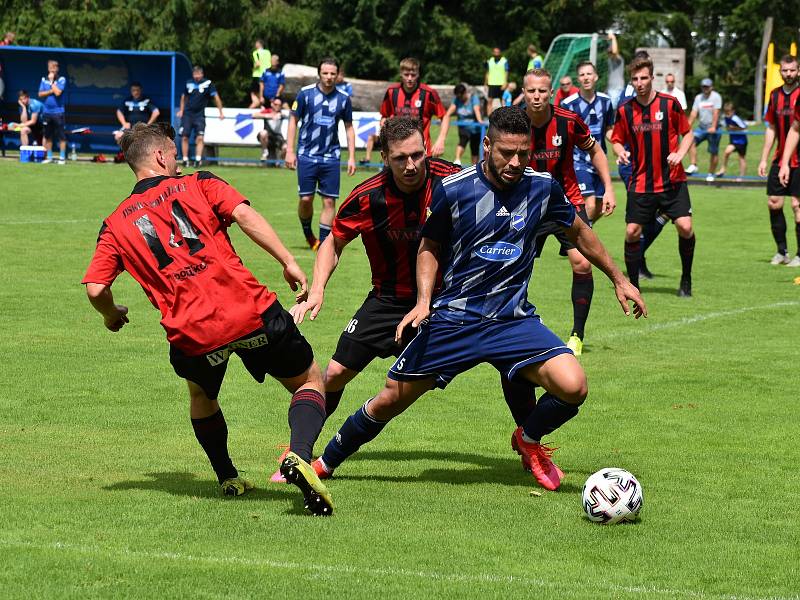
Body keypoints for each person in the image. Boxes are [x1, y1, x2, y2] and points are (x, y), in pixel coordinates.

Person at [310, 107, 646, 492]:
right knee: (390, 399)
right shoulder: (454, 189)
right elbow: (429, 246)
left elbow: (580, 232)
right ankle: (324, 462)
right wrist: (423, 302)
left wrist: (618, 279)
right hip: (454, 319)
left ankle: (528, 439)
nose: (515, 162)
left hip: (512, 321)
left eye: (522, 153)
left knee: (574, 386)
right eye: (505, 152)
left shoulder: (543, 188)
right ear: (487, 145)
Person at [82, 122, 333, 514]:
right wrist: (287, 261)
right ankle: (299, 454)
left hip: (192, 333)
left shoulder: (114, 224)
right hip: (248, 311)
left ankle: (228, 477)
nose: (178, 162)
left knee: (202, 395)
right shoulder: (199, 182)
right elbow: (245, 216)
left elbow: (96, 289)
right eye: (174, 154)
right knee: (310, 380)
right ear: (161, 156)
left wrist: (111, 315)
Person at [523, 67, 616, 356]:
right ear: (523, 92)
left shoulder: (568, 120)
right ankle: (512, 327)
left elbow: (596, 150)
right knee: (514, 267)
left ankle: (576, 335)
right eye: (531, 91)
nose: (536, 96)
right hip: (525, 205)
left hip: (566, 203)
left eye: (542, 91)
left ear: (551, 92)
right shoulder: (512, 121)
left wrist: (608, 188)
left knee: (583, 264)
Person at [612, 57, 697, 297]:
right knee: (631, 232)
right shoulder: (625, 110)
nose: (640, 83)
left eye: (644, 78)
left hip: (672, 180)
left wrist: (681, 153)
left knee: (685, 226)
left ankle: (686, 279)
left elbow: (688, 134)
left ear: (652, 77)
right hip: (641, 182)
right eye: (635, 79)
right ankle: (633, 285)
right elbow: (616, 139)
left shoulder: (670, 104)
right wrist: (621, 152)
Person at [285, 57, 356, 250]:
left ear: (338, 75)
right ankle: (308, 233)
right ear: (319, 74)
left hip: (331, 158)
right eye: (325, 73)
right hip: (307, 155)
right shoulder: (305, 94)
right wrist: (290, 150)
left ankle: (324, 245)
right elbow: (293, 121)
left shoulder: (343, 98)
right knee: (306, 199)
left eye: (333, 73)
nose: (329, 77)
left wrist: (351, 156)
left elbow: (349, 128)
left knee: (329, 201)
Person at [560, 61, 617, 223]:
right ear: (578, 79)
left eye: (589, 74)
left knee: (600, 207)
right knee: (589, 205)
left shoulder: (606, 102)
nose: (586, 77)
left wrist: (619, 146)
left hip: (599, 161)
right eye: (582, 74)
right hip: (578, 162)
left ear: (596, 77)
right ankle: (577, 242)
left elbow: (608, 128)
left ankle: (578, 240)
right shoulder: (568, 104)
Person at [759, 54, 800, 266]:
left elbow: (797, 128)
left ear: (798, 71)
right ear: (780, 71)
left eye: (792, 70)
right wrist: (764, 158)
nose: (789, 74)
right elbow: (772, 127)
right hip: (780, 158)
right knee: (774, 203)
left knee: (797, 206)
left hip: (798, 161)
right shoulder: (774, 96)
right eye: (785, 70)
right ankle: (782, 251)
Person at [380, 57, 449, 156]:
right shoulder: (392, 92)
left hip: (421, 152)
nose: (409, 78)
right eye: (406, 75)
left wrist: (441, 140)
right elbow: (384, 117)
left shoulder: (428, 93)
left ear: (418, 74)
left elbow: (444, 116)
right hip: (397, 151)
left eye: (413, 75)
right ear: (400, 74)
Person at [177, 66, 224, 168]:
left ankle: (198, 160)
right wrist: (181, 110)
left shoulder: (208, 83)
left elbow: (216, 97)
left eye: (198, 74)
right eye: (195, 74)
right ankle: (185, 160)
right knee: (185, 137)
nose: (197, 76)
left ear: (202, 74)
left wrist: (221, 112)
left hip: (199, 115)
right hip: (188, 115)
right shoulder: (188, 83)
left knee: (200, 137)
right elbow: (183, 97)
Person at [686, 78, 722, 181]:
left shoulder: (716, 97)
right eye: (703, 87)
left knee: (713, 152)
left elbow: (716, 112)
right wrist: (687, 126)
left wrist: (713, 127)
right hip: (702, 127)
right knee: (690, 141)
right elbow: (693, 113)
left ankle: (711, 173)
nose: (705, 88)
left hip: (714, 127)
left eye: (707, 86)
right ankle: (694, 165)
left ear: (711, 87)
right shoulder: (698, 98)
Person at [37, 59, 67, 164]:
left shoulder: (62, 79)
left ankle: (62, 158)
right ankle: (49, 157)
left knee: (61, 136)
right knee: (48, 135)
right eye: (50, 67)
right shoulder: (43, 79)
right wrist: (50, 90)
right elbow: (40, 94)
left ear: (57, 69)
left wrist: (51, 82)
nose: (52, 70)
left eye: (54, 67)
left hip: (58, 112)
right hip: (47, 112)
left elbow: (58, 93)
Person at [444, 83, 482, 165]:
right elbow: (449, 112)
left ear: (465, 93)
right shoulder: (457, 99)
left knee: (474, 149)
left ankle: (474, 167)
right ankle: (457, 160)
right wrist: (443, 118)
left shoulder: (473, 98)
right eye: (458, 97)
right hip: (463, 127)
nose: (459, 98)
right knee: (462, 141)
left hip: (475, 128)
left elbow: (476, 110)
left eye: (461, 96)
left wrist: (480, 121)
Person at [716, 102, 747, 181]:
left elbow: (744, 127)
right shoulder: (726, 118)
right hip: (733, 141)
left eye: (728, 112)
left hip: (741, 141)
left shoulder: (735, 118)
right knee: (726, 152)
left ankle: (742, 176)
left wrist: (734, 128)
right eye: (726, 112)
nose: (727, 114)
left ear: (733, 111)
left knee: (741, 158)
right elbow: (727, 127)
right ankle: (723, 169)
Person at [256, 97, 287, 164]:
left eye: (279, 105)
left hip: (277, 137)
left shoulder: (281, 114)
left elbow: (286, 115)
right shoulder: (268, 111)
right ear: (272, 104)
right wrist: (268, 116)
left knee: (286, 147)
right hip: (267, 137)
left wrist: (280, 115)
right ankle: (265, 153)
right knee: (263, 133)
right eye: (276, 104)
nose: (277, 106)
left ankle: (279, 161)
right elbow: (254, 115)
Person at [484, 47, 509, 115]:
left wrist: (505, 83)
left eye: (497, 52)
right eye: (495, 52)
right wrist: (485, 84)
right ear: (493, 53)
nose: (496, 54)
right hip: (492, 83)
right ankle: (489, 119)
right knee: (489, 102)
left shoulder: (504, 61)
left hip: (501, 84)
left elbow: (506, 72)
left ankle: (505, 117)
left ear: (500, 53)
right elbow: (487, 72)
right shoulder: (490, 61)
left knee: (503, 101)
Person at [606, 32, 625, 109]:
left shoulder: (618, 59)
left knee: (612, 112)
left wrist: (613, 38)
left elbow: (614, 52)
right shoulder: (609, 60)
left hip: (617, 89)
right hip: (611, 89)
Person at [250, 39, 271, 108]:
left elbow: (257, 64)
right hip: (267, 76)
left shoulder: (256, 53)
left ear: (259, 44)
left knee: (256, 99)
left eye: (256, 43)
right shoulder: (268, 52)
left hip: (257, 75)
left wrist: (253, 68)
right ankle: (262, 107)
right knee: (262, 99)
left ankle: (246, 114)